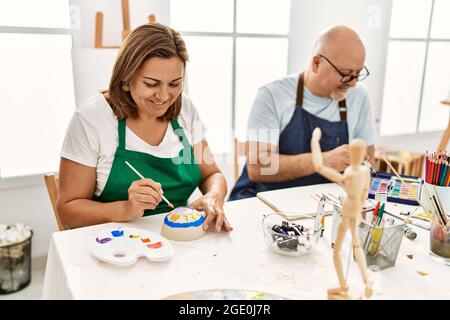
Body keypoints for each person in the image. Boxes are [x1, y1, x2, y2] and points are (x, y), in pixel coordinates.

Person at [57, 23, 233, 233]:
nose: (164, 96)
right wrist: (125, 208)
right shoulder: (91, 119)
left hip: (178, 237)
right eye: (151, 84)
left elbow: (212, 174)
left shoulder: (185, 108)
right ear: (126, 77)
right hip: (115, 245)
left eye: (175, 83)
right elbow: (68, 211)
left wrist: (213, 196)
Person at [229, 25, 377, 201]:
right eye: (345, 74)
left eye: (358, 74)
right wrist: (322, 161)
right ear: (316, 63)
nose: (352, 83)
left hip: (322, 202)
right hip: (264, 199)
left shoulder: (359, 96)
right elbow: (258, 167)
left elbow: (369, 160)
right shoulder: (271, 95)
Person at [311, 127, 372, 300]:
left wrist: (315, 141)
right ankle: (361, 283)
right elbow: (365, 193)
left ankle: (345, 285)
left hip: (347, 210)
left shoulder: (350, 172)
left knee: (338, 251)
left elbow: (320, 166)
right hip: (355, 210)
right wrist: (360, 210)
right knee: (356, 246)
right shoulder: (365, 171)